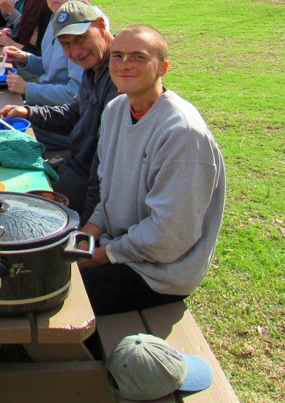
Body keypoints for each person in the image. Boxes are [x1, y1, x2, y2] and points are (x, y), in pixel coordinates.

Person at [77, 25, 226, 316]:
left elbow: (169, 236)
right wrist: (83, 239)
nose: (125, 65)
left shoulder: (182, 132)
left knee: (59, 294)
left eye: (138, 57)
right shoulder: (116, 110)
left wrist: (101, 256)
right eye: (117, 56)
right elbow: (108, 199)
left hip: (159, 273)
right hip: (119, 248)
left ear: (163, 68)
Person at [0, 1, 118, 219]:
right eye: (66, 44)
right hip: (73, 167)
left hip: (91, 189)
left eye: (80, 38)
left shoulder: (121, 76)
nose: (76, 51)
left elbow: (107, 165)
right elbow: (75, 112)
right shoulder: (93, 65)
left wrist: (90, 222)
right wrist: (29, 112)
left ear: (101, 24)